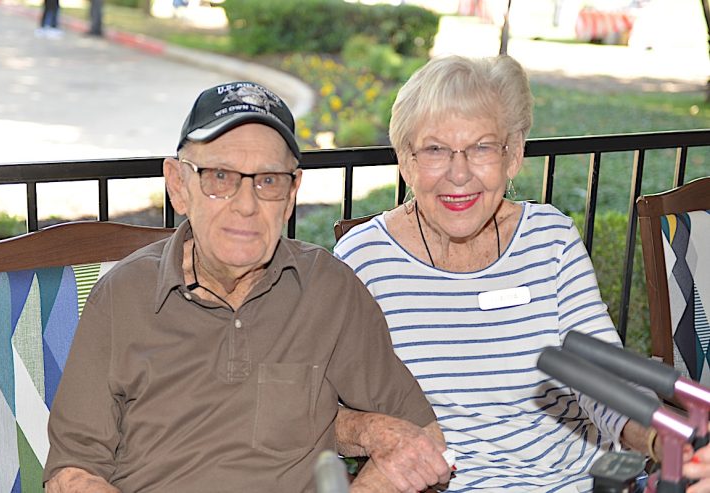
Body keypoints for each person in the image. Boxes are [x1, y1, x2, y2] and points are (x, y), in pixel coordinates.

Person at [42, 81, 451, 492]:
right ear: (179, 185)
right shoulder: (123, 295)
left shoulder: (328, 289)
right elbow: (73, 472)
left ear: (291, 195)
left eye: (268, 181)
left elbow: (423, 439)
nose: (246, 204)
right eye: (220, 176)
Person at [334, 54, 710, 492]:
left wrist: (660, 439)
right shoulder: (362, 259)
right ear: (406, 160)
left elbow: (605, 381)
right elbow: (313, 404)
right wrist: (378, 434)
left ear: (512, 156)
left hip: (582, 482)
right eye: (436, 149)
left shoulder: (548, 238)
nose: (460, 174)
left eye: (482, 148)